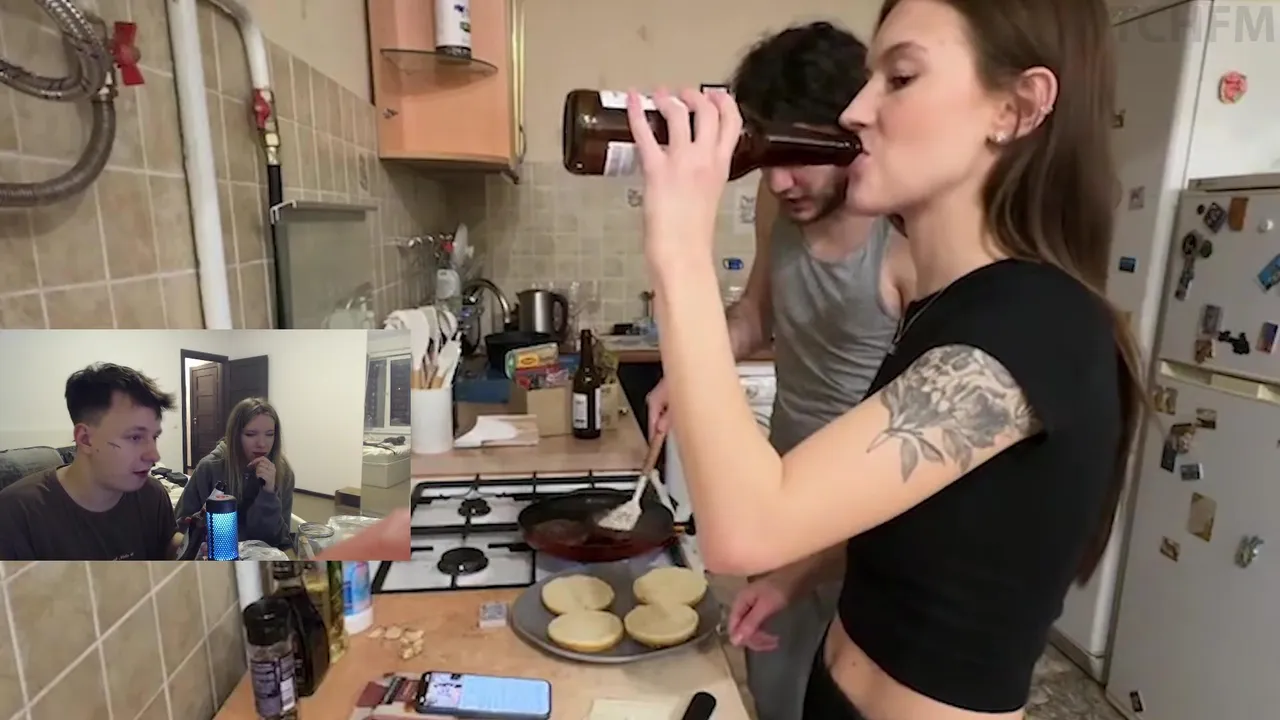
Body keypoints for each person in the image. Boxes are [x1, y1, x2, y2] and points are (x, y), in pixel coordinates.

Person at [623, 0, 1144, 717]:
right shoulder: (949, 306)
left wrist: (680, 246)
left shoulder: (1037, 326)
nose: (856, 112)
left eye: (899, 78)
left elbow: (744, 530)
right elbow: (925, 515)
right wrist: (801, 574)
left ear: (1017, 108)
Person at [644, 22, 914, 720]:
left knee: (840, 700)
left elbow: (911, 456)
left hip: (865, 522)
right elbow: (754, 316)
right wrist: (690, 368)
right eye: (768, 155)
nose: (778, 180)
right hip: (780, 490)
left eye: (798, 157)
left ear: (851, 135)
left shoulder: (905, 247)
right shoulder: (779, 207)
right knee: (773, 691)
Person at [0, 363, 181, 560]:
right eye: (135, 437)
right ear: (85, 439)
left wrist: (191, 545)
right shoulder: (15, 514)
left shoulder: (152, 494)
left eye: (154, 437)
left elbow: (167, 548)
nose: (154, 456)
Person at [178, 397, 296, 550]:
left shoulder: (283, 472)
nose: (262, 444)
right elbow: (180, 526)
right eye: (251, 434)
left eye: (269, 434)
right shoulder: (210, 468)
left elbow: (281, 540)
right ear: (236, 435)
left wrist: (268, 494)